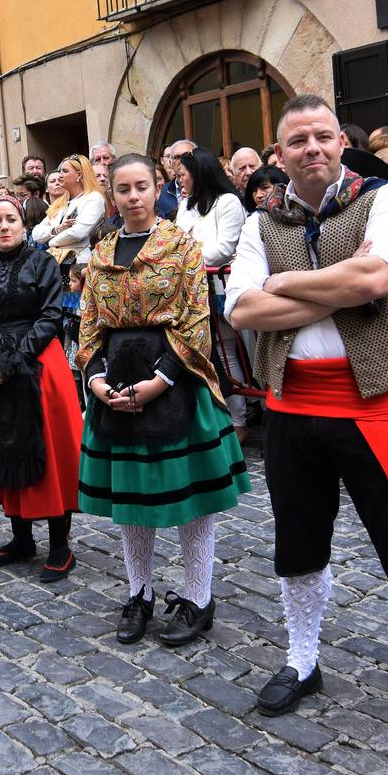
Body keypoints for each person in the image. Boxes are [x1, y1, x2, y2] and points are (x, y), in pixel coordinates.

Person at [226, 94, 388, 751]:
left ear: (340, 142)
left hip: (373, 403)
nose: (312, 148)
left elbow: (376, 280)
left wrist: (284, 285)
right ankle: (302, 661)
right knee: (298, 545)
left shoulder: (382, 199)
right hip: (291, 406)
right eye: (297, 140)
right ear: (279, 156)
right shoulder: (260, 220)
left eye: (323, 136)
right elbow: (242, 311)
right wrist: (330, 285)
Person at [80, 155, 251, 643]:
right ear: (112, 195)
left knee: (189, 501)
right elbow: (90, 322)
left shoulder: (182, 247)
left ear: (157, 189)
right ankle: (140, 594)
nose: (132, 197)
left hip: (173, 378)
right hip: (115, 379)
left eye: (141, 187)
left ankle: (199, 598)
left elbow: (196, 319)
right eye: (123, 189)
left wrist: (161, 380)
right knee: (133, 501)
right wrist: (95, 380)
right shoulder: (102, 252)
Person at [0, 195, 82, 581]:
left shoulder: (42, 263)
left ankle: (60, 544)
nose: (4, 226)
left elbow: (50, 316)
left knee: (44, 452)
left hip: (37, 365)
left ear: (23, 225)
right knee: (1, 447)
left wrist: (14, 360)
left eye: (11, 219)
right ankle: (21, 536)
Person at [176, 146, 251, 443]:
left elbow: (224, 248)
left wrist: (187, 259)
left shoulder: (228, 202)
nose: (180, 180)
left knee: (227, 353)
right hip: (190, 290)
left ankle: (240, 419)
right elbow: (176, 241)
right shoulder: (186, 206)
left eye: (183, 174)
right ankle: (215, 419)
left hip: (217, 288)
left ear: (199, 174)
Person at [33, 155, 107, 272]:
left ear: (79, 175)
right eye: (60, 171)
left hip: (79, 265)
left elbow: (78, 232)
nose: (60, 175)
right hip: (56, 264)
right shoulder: (61, 203)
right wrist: (56, 229)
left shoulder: (94, 198)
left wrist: (52, 242)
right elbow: (36, 234)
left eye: (65, 171)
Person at [157, 139, 196, 219]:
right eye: (177, 157)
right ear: (170, 163)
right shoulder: (161, 193)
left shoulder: (207, 191)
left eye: (188, 156)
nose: (182, 160)